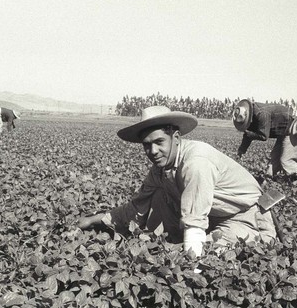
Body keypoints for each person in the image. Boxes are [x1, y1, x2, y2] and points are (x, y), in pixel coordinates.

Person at [76, 105, 277, 257]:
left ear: (176, 137)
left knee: (206, 256)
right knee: (156, 197)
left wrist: (190, 267)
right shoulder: (160, 169)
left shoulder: (195, 162)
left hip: (244, 218)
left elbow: (195, 221)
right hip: (212, 218)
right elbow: (135, 207)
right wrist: (94, 220)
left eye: (159, 142)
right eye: (147, 145)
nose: (153, 151)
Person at [232, 99, 297, 180]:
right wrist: (241, 151)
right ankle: (271, 179)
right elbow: (247, 136)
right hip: (281, 131)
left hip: (291, 128)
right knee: (274, 160)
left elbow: (264, 136)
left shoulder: (261, 114)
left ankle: (293, 181)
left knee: (286, 160)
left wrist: (249, 134)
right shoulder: (251, 115)